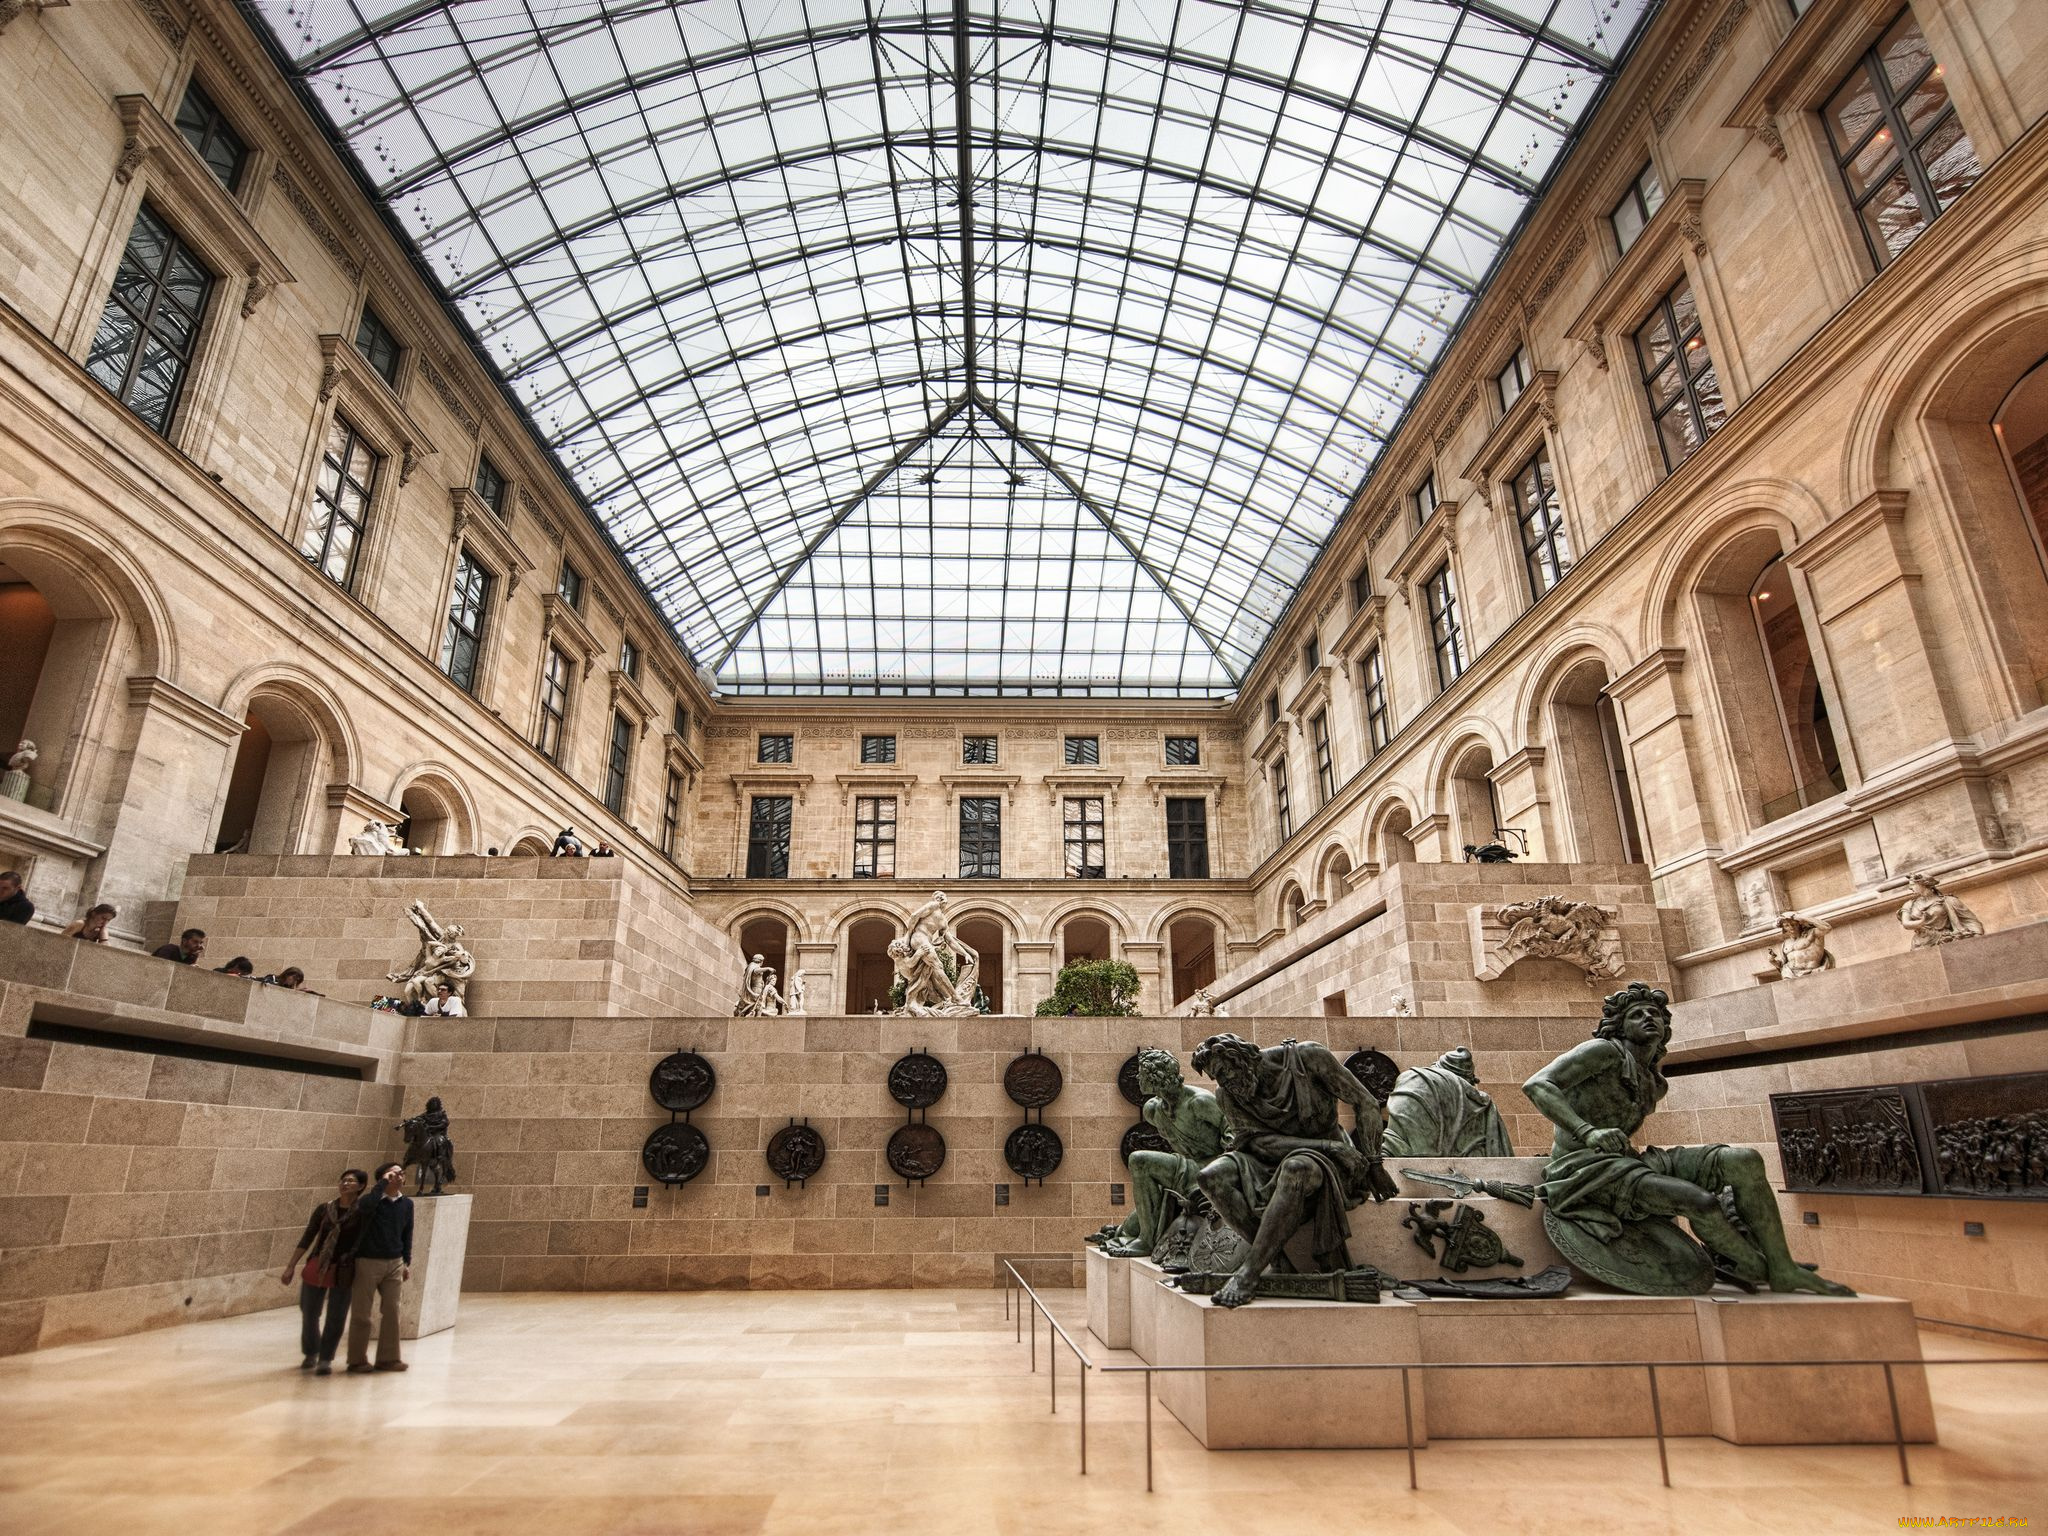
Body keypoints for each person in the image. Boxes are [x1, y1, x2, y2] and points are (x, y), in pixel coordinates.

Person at [280, 1168, 367, 1376]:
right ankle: (311, 1351)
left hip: (343, 1270)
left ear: (361, 1187)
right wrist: (291, 1265)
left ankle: (326, 1358)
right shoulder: (324, 1209)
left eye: (351, 1181)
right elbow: (308, 1236)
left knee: (336, 1316)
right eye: (343, 1180)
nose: (345, 1184)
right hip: (318, 1264)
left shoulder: (363, 1213)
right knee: (309, 1311)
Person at [345, 1162, 414, 1373]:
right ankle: (357, 1359)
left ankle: (388, 1358)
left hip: (394, 1262)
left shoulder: (407, 1204)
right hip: (368, 1261)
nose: (399, 1177)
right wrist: (382, 1184)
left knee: (392, 1310)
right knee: (361, 1313)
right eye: (393, 1174)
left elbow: (407, 1233)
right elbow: (365, 1208)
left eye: (401, 1173)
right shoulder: (370, 1201)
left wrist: (406, 1261)